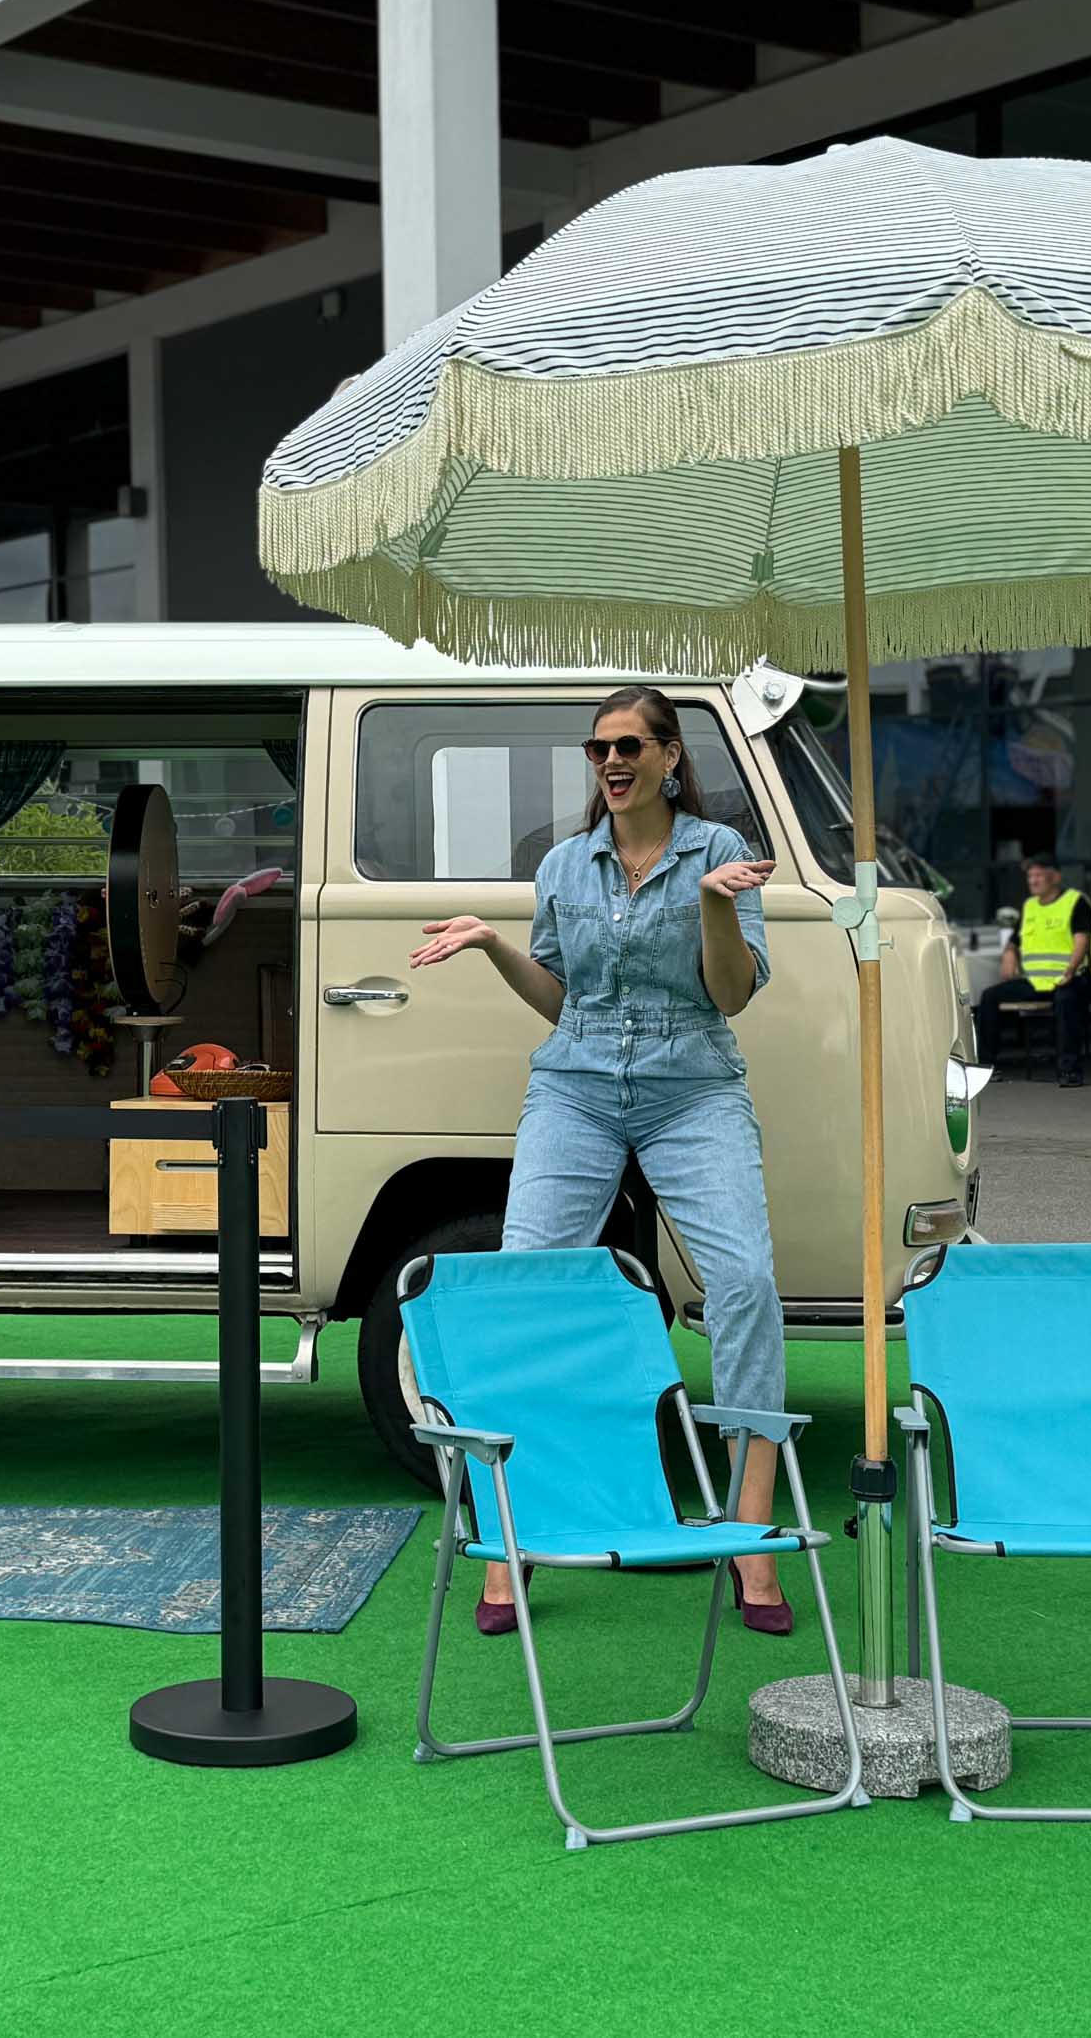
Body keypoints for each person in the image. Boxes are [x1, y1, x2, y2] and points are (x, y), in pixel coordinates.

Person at [409, 686, 795, 1639]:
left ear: (670, 757)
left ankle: (749, 1532)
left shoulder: (719, 852)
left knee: (745, 1282)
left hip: (692, 1085)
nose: (612, 761)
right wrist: (494, 945)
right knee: (526, 1287)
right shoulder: (561, 865)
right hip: (576, 1085)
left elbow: (731, 995)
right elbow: (560, 1000)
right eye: (599, 748)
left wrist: (713, 906)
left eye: (630, 745)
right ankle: (515, 1533)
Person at [972, 853, 1091, 1086]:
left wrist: (1070, 970)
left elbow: (1081, 942)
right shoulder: (1029, 906)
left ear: (1055, 877)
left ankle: (1069, 1071)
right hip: (1037, 982)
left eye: (1039, 875)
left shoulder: (1076, 902)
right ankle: (986, 1067)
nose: (1032, 880)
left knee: (1065, 1000)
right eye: (1030, 876)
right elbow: (1015, 940)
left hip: (1076, 978)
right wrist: (1009, 953)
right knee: (990, 997)